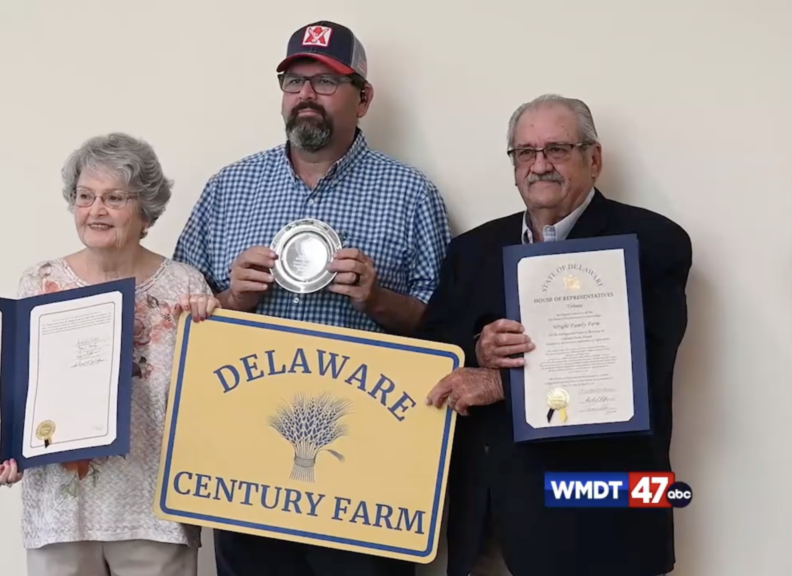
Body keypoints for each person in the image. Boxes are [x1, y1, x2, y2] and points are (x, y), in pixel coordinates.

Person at [173, 19, 452, 576]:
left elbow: (444, 327)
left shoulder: (412, 193)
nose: (305, 96)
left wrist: (377, 300)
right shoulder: (230, 187)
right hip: (244, 461)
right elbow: (178, 312)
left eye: (325, 83)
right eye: (293, 81)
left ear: (364, 98)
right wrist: (230, 298)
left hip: (369, 469)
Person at [419, 94, 692, 576]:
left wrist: (502, 383)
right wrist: (479, 350)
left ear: (594, 159)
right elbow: (436, 354)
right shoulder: (471, 251)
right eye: (525, 152)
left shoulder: (653, 243)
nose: (539, 165)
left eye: (557, 149)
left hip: (604, 525)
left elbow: (637, 367)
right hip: (493, 526)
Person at [0, 132, 221, 576]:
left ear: (146, 211)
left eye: (114, 198)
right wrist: (1, 449)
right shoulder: (39, 280)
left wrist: (216, 325)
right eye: (85, 196)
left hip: (153, 508)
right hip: (59, 506)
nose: (96, 210)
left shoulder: (185, 286)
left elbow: (213, 398)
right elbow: (17, 384)